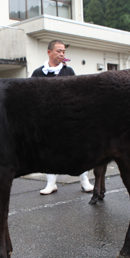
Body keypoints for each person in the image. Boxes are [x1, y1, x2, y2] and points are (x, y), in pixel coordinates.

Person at [31, 40, 94, 194]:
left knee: (77, 149)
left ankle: (84, 180)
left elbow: (76, 93)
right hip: (47, 119)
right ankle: (51, 183)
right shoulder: (38, 73)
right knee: (49, 151)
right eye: (58, 51)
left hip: (68, 118)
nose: (61, 54)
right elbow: (31, 95)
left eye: (64, 52)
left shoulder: (69, 71)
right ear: (49, 52)